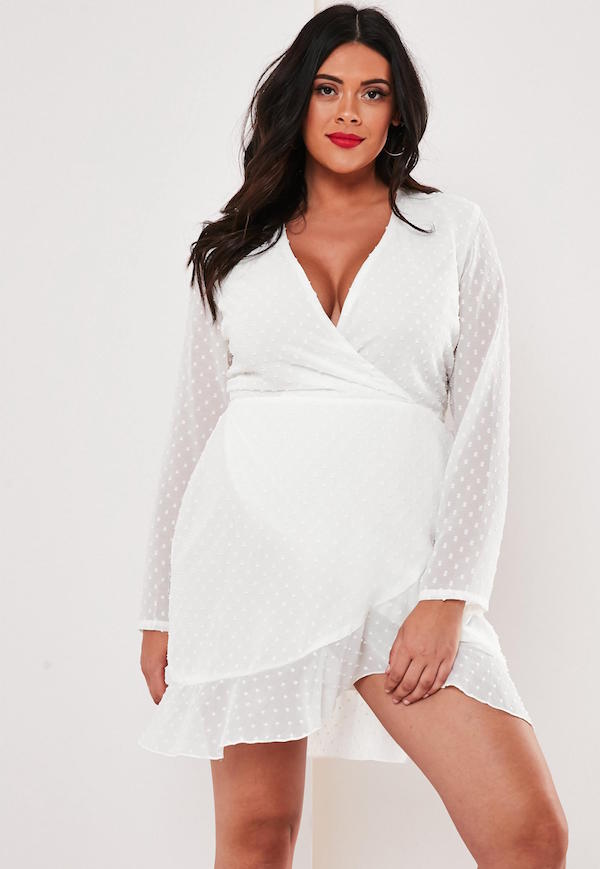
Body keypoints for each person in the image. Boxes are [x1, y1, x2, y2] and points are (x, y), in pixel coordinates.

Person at [137, 5, 568, 867]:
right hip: (248, 559)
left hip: (395, 565)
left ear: (396, 112)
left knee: (528, 834)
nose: (347, 112)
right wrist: (159, 608)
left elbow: (483, 418)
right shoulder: (233, 250)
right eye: (328, 89)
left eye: (372, 93)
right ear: (297, 101)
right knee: (258, 837)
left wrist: (451, 594)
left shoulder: (451, 233)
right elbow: (193, 428)